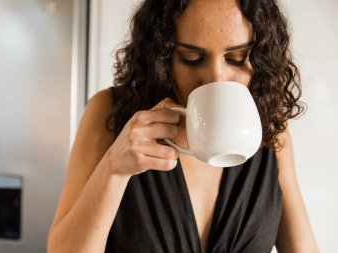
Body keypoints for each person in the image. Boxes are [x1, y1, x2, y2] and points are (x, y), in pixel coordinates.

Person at [47, 0, 320, 252]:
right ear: (162, 56)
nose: (216, 78)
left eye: (236, 59)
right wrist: (113, 170)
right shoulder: (109, 112)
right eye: (192, 58)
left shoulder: (271, 130)